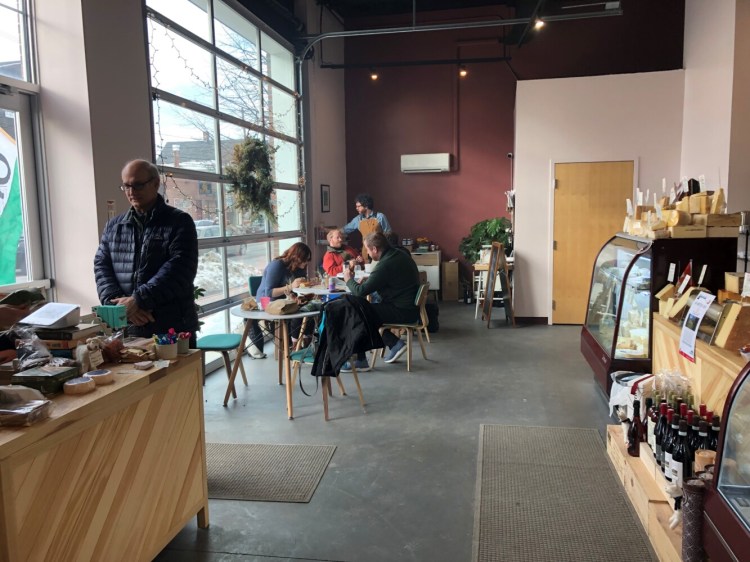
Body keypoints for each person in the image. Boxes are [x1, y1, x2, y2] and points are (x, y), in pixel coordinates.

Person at [94, 159, 199, 342]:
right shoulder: (114, 226)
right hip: (129, 327)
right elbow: (102, 266)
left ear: (156, 183)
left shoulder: (179, 222)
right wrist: (122, 306)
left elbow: (180, 269)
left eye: (138, 185)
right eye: (126, 186)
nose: (131, 192)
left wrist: (138, 300)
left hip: (173, 328)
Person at [342, 231, 420, 371]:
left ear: (375, 249)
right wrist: (371, 280)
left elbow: (360, 291)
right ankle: (392, 344)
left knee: (358, 312)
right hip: (409, 307)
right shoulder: (398, 254)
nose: (367, 252)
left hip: (402, 311)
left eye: (367, 249)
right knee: (365, 312)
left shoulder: (385, 265)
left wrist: (348, 280)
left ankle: (361, 360)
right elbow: (388, 278)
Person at [248, 242, 312, 358]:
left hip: (283, 300)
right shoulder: (277, 265)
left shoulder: (299, 268)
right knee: (298, 312)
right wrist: (291, 287)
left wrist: (298, 294)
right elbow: (269, 293)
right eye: (304, 260)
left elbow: (295, 289)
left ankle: (304, 342)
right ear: (296, 257)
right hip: (265, 301)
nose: (306, 263)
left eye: (308, 260)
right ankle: (294, 345)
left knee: (310, 307)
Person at [342, 194, 391, 262]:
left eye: (359, 206)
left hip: (380, 252)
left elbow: (388, 234)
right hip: (366, 252)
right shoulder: (358, 219)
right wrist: (327, 230)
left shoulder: (380, 217)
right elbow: (344, 230)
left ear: (366, 206)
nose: (356, 208)